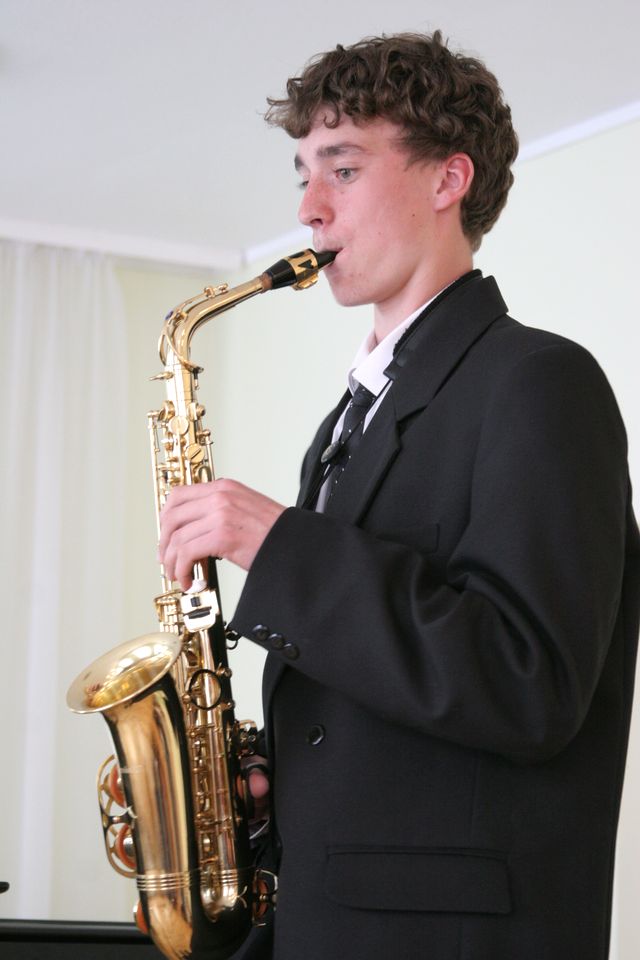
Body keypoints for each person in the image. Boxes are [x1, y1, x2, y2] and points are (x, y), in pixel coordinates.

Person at [159, 31, 640, 960]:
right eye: (303, 173)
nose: (308, 206)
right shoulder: (349, 418)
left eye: (342, 169)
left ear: (448, 179)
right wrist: (275, 775)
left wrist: (281, 547)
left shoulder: (541, 381)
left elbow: (529, 682)